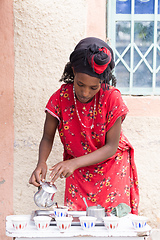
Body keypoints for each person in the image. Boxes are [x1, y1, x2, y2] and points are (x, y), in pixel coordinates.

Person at [29, 37, 139, 215]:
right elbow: (47, 137)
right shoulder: (60, 98)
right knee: (78, 224)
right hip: (78, 173)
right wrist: (41, 162)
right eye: (80, 84)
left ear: (102, 82)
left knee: (112, 224)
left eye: (93, 88)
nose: (85, 92)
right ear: (73, 71)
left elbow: (111, 147)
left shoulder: (112, 98)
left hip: (112, 169)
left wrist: (73, 163)